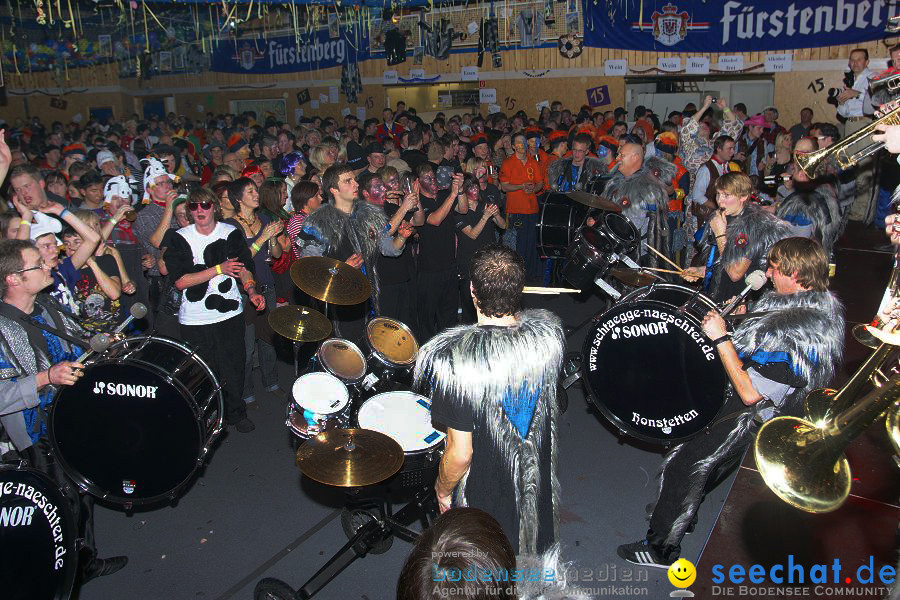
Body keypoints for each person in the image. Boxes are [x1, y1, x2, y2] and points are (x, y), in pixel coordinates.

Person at [618, 236, 844, 567]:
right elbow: (765, 343)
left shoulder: (799, 330)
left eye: (775, 268)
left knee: (688, 462)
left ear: (797, 274)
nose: (767, 272)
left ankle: (660, 548)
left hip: (755, 412)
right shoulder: (814, 304)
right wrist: (744, 316)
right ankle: (684, 513)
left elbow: (751, 392)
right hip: (767, 407)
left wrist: (722, 337)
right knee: (715, 463)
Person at [413, 243, 565, 555]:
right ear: (520, 290)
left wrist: (442, 491)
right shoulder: (547, 342)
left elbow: (460, 454)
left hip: (485, 496)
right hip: (531, 484)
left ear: (471, 290)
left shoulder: (456, 361)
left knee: (485, 572)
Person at [0, 239, 128, 583]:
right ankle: (65, 572)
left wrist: (102, 343)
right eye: (36, 265)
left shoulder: (46, 308)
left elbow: (78, 340)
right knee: (61, 505)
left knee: (81, 494)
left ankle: (84, 560)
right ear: (13, 279)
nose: (48, 267)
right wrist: (46, 377)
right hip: (37, 433)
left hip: (72, 417)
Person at [164, 187, 264, 434]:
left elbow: (244, 267)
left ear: (214, 208)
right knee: (202, 371)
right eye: (194, 206)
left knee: (234, 365)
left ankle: (236, 413)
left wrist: (251, 290)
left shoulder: (230, 233)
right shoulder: (180, 238)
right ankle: (208, 417)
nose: (199, 210)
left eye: (205, 205)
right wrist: (218, 269)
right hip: (195, 318)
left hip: (229, 315)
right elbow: (180, 281)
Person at [296, 164, 403, 341]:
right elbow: (310, 270)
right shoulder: (317, 223)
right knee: (345, 356)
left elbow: (387, 248)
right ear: (333, 189)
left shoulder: (369, 214)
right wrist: (341, 269)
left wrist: (402, 239)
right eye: (348, 181)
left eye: (354, 179)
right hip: (339, 305)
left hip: (369, 301)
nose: (356, 184)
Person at [682, 172, 792, 303]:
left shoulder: (752, 225)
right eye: (718, 194)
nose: (719, 200)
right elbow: (721, 261)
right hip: (716, 294)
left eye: (726, 195)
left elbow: (735, 273)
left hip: (738, 302)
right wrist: (702, 271)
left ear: (743, 196)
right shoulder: (724, 217)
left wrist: (720, 234)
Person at [837, 48, 876, 222]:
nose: (855, 63)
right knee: (849, 169)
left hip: (865, 123)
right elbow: (844, 112)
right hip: (850, 124)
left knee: (864, 169)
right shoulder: (850, 80)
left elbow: (876, 101)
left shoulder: (873, 78)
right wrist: (842, 101)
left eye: (859, 59)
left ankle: (861, 213)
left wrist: (857, 94)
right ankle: (850, 207)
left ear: (867, 62)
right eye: (852, 60)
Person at [499, 134, 543, 280]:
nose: (522, 145)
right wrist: (521, 186)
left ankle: (531, 274)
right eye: (518, 143)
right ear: (513, 146)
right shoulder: (508, 163)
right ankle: (515, 275)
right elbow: (504, 187)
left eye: (524, 142)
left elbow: (540, 183)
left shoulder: (532, 161)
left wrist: (534, 188)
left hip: (532, 209)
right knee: (517, 243)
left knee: (531, 243)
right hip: (515, 209)